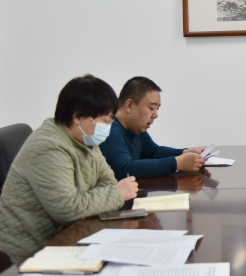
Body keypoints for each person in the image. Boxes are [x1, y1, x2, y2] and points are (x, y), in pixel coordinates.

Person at [0, 75, 139, 263]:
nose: (107, 127)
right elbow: (68, 209)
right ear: (77, 117)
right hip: (27, 255)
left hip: (66, 237)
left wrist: (80, 210)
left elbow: (107, 181)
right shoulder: (49, 147)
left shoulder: (86, 139)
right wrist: (116, 194)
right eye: (104, 121)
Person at [100, 77, 205, 180]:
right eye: (151, 108)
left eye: (157, 109)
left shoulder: (135, 127)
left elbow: (153, 152)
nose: (156, 115)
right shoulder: (109, 130)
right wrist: (177, 163)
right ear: (129, 105)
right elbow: (125, 169)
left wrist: (184, 152)